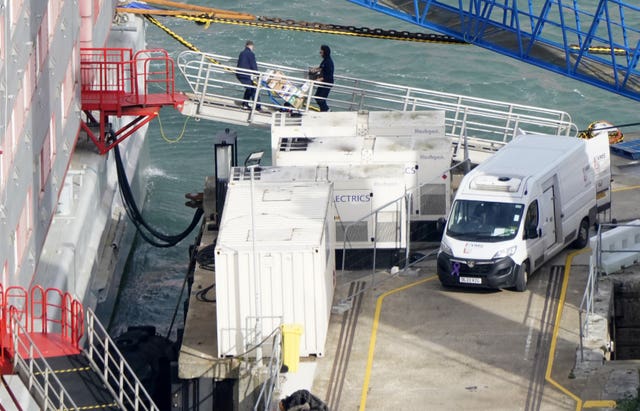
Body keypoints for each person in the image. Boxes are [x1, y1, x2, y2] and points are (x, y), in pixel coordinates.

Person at [236, 40, 261, 111]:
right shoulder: (251, 54)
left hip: (240, 73)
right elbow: (253, 66)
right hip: (244, 74)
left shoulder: (242, 53)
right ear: (251, 46)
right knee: (253, 89)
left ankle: (245, 104)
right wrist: (258, 75)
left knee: (249, 88)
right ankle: (257, 106)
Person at [311, 45, 334, 112]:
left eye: (321, 52)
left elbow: (329, 75)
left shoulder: (329, 62)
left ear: (324, 52)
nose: (320, 53)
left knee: (321, 99)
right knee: (317, 96)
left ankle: (327, 110)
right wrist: (315, 69)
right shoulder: (325, 60)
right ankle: (323, 110)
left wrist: (319, 79)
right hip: (323, 83)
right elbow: (321, 67)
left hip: (327, 83)